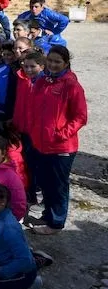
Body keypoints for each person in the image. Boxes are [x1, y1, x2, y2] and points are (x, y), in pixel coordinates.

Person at [25, 45, 87, 235]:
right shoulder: (43, 81)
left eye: (57, 62)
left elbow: (80, 117)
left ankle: (56, 222)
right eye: (50, 61)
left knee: (58, 185)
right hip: (41, 144)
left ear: (66, 63)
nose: (53, 64)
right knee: (45, 182)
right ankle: (48, 214)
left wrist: (59, 134)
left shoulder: (71, 85)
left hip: (61, 146)